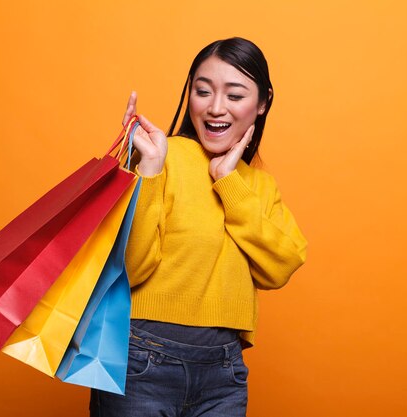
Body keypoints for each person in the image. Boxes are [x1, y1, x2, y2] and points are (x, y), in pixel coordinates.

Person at [90, 37, 308, 417]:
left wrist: (227, 181)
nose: (215, 107)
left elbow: (281, 266)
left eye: (235, 95)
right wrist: (150, 170)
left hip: (224, 374)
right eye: (202, 91)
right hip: (140, 362)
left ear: (262, 103)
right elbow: (132, 268)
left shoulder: (256, 185)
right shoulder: (160, 156)